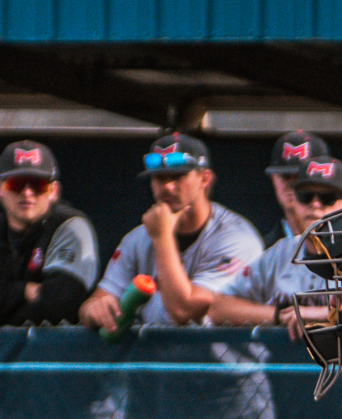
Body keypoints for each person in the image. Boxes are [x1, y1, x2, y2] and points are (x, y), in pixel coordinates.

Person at [81, 134, 263, 331]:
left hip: (226, 357)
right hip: (160, 358)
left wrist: (162, 238)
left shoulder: (237, 237)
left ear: (204, 179)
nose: (167, 186)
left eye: (178, 176)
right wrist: (95, 309)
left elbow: (184, 312)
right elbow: (93, 303)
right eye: (159, 177)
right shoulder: (138, 238)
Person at [0, 140, 100, 327]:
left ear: (54, 191)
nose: (27, 193)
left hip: (62, 350)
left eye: (38, 185)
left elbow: (58, 307)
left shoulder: (70, 225)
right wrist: (21, 291)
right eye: (17, 184)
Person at [209, 155, 342, 327]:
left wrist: (319, 314)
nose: (315, 204)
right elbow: (218, 307)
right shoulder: (281, 253)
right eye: (305, 196)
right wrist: (279, 315)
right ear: (294, 199)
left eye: (328, 197)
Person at [262, 130, 328, 246]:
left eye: (301, 176)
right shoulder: (260, 251)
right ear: (274, 179)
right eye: (285, 176)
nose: (292, 184)